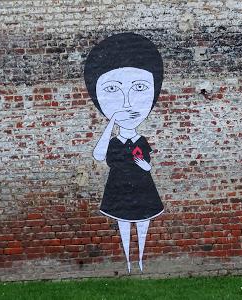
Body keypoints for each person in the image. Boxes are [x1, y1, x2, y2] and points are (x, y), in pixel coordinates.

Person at [84, 32, 165, 273]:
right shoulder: (114, 141)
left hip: (143, 185)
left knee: (142, 225)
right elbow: (99, 155)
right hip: (118, 187)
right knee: (122, 224)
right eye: (112, 89)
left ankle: (140, 261)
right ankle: (129, 263)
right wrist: (112, 122)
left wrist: (142, 163)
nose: (127, 103)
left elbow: (148, 166)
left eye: (139, 87)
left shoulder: (142, 139)